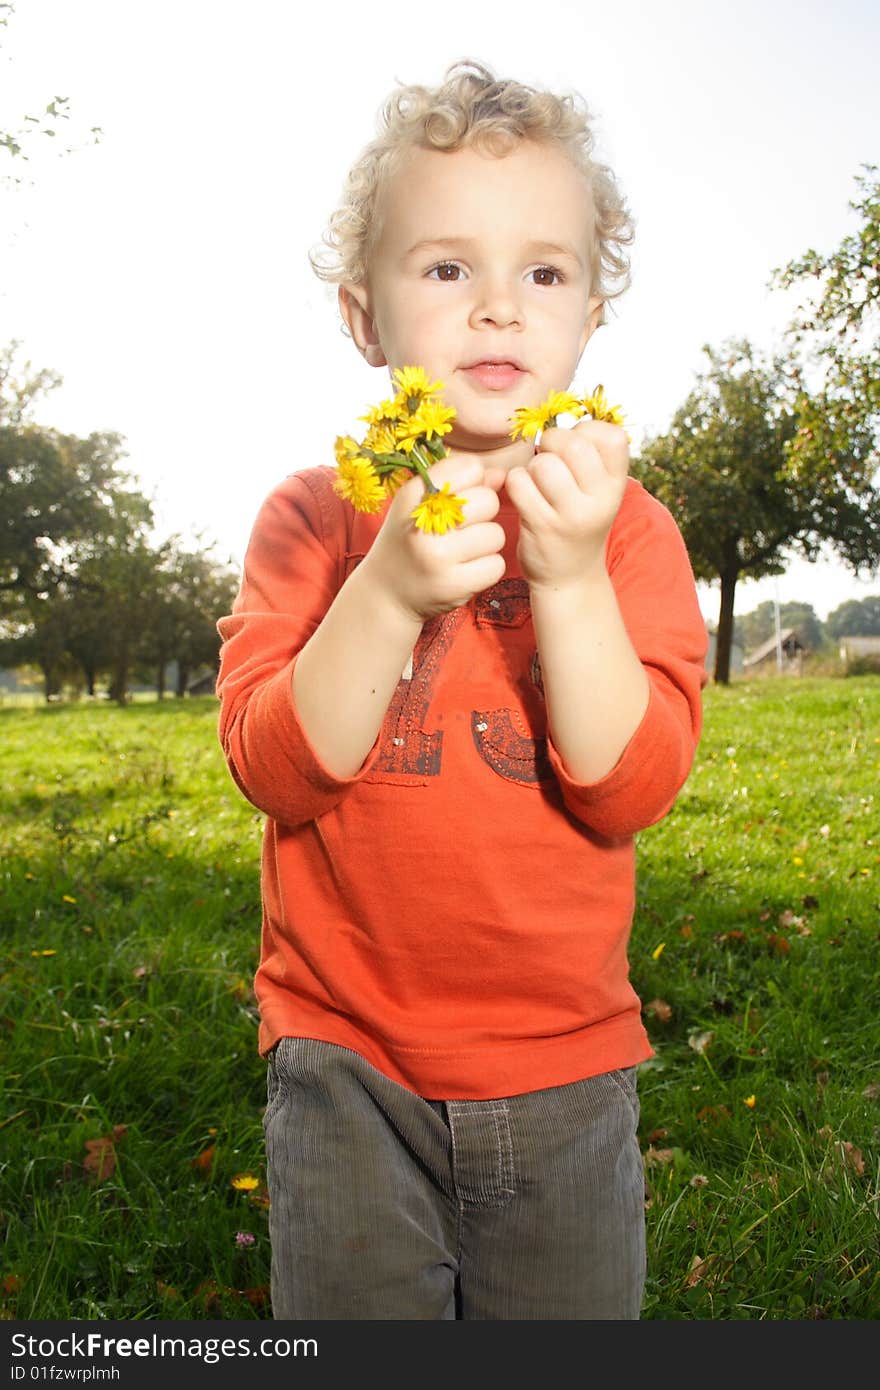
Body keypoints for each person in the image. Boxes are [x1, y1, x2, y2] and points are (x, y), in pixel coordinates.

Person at [215, 57, 708, 1321]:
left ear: (590, 312)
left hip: (563, 1067)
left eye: (542, 272)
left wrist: (574, 577)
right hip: (345, 1059)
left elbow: (626, 788)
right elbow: (274, 767)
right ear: (363, 315)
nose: (498, 308)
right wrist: (381, 590)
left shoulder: (630, 532)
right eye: (447, 269)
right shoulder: (313, 522)